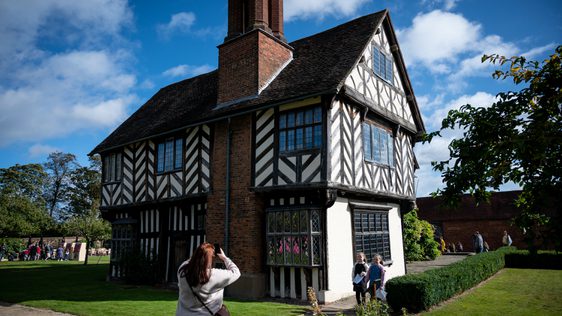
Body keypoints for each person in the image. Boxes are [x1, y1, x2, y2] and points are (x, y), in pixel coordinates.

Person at [176, 243, 240, 316]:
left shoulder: (182, 270)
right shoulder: (213, 275)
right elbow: (236, 272)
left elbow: (191, 261)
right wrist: (224, 258)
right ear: (209, 260)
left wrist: (201, 252)